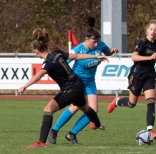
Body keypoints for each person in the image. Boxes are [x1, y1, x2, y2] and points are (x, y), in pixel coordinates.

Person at [18, 28, 109, 148]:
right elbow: (76, 56)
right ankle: (97, 124)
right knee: (86, 109)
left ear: (36, 51)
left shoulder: (48, 63)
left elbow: (38, 75)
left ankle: (41, 142)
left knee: (48, 110)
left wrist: (25, 86)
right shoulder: (57, 53)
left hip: (70, 90)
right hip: (78, 85)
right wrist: (95, 57)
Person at [48, 17, 119, 145]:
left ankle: (72, 133)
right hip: (77, 82)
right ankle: (54, 130)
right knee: (75, 107)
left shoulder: (100, 45)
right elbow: (64, 62)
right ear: (87, 39)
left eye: (98, 41)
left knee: (93, 110)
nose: (96, 44)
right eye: (94, 42)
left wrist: (112, 51)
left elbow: (107, 52)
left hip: (90, 82)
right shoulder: (78, 49)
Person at [107, 19, 156, 139]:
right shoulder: (142, 42)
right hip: (137, 75)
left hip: (149, 76)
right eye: (151, 29)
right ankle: (117, 101)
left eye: (155, 30)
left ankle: (150, 130)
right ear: (147, 29)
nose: (153, 31)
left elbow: (153, 58)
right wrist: (148, 58)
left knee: (151, 102)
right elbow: (134, 57)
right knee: (131, 104)